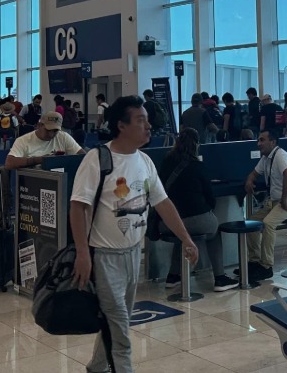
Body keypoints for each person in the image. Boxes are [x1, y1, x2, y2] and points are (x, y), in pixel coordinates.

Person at [70, 96, 198, 373]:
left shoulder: (145, 161)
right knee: (120, 329)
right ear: (121, 125)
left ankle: (97, 367)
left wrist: (186, 238)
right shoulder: (97, 159)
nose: (148, 126)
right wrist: (82, 252)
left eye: (147, 120)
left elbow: (163, 203)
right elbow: (78, 206)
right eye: (140, 121)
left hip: (132, 254)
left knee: (118, 319)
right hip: (104, 257)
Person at [156, 128, 239, 292]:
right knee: (214, 231)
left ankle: (173, 276)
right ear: (196, 145)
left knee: (181, 232)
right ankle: (220, 278)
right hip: (197, 220)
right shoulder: (198, 166)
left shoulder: (165, 163)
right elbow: (210, 197)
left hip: (167, 222)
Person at [241, 129, 287, 283]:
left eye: (262, 140)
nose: (259, 143)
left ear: (273, 142)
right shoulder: (266, 158)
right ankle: (254, 262)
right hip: (276, 202)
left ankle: (266, 266)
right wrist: (249, 180)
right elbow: (254, 173)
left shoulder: (281, 156)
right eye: (258, 140)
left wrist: (284, 198)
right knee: (251, 223)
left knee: (268, 223)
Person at [4, 112, 86, 169]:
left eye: (55, 131)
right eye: (48, 130)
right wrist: (41, 160)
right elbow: (9, 163)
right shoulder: (23, 141)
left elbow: (83, 157)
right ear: (39, 125)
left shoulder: (63, 137)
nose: (51, 134)